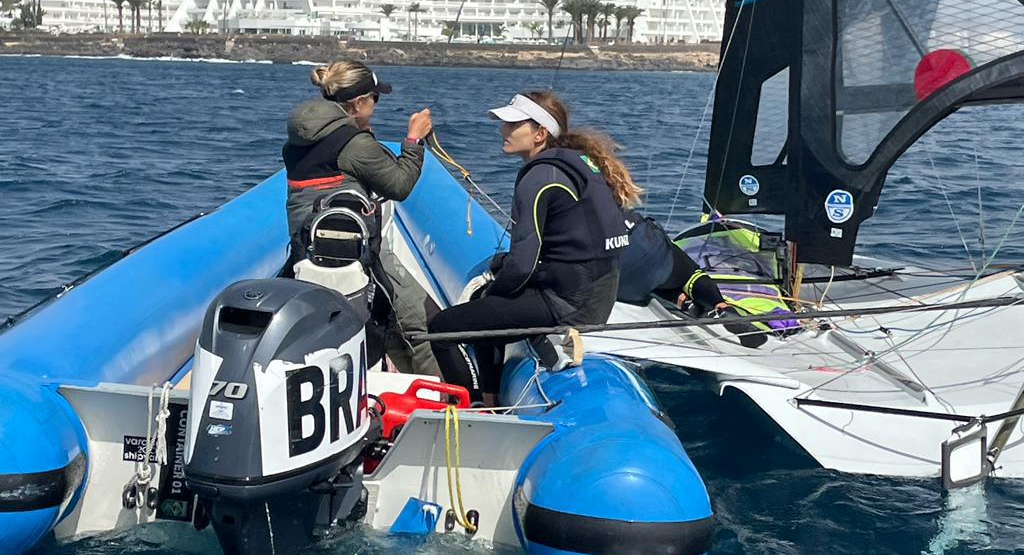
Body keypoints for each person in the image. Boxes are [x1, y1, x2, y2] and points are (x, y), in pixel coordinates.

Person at [427, 91, 635, 404]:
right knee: (488, 309)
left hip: (566, 304)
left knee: (443, 328)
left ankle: (468, 410)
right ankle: (491, 398)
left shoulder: (539, 177)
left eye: (513, 125)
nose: (504, 130)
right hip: (597, 297)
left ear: (539, 134)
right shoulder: (579, 164)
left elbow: (523, 264)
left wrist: (496, 291)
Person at [282, 59, 441, 375]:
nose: (377, 104)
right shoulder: (353, 144)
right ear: (358, 103)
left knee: (389, 318)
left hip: (307, 249)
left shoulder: (302, 137)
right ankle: (439, 401)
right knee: (419, 323)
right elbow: (398, 184)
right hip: (355, 255)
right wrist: (414, 142)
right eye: (374, 98)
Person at [617, 211, 767, 348]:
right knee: (689, 275)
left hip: (623, 281)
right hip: (653, 256)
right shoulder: (614, 192)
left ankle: (684, 302)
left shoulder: (596, 198)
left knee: (646, 281)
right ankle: (722, 307)